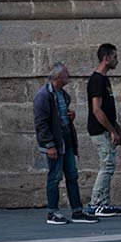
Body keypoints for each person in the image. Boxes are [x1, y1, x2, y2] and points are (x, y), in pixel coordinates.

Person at [33, 63, 99, 225]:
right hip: (55, 143)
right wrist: (49, 145)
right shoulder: (44, 96)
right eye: (65, 75)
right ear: (57, 78)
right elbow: (41, 123)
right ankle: (53, 212)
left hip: (66, 141)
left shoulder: (62, 94)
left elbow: (61, 116)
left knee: (72, 175)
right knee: (55, 177)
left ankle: (77, 211)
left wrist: (70, 116)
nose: (68, 76)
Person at [86, 43, 121, 218]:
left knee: (108, 164)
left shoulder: (104, 80)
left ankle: (103, 203)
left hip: (106, 129)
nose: (117, 60)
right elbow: (97, 110)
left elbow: (109, 110)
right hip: (99, 130)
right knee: (107, 164)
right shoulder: (97, 80)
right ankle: (97, 203)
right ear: (106, 58)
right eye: (115, 57)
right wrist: (112, 130)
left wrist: (118, 129)